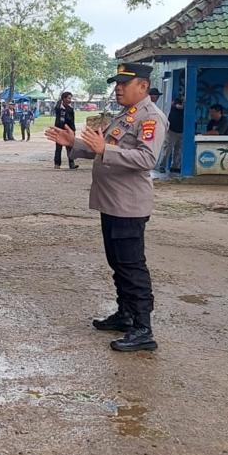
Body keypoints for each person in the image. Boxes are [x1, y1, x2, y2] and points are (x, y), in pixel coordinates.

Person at [46, 62, 166, 352]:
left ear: (143, 86)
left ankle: (143, 328)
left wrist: (105, 150)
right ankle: (125, 314)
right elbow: (102, 148)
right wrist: (73, 142)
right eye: (117, 84)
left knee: (132, 266)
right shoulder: (126, 116)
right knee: (117, 263)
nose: (118, 89)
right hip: (111, 202)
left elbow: (146, 159)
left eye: (124, 84)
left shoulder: (150, 118)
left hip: (128, 206)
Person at [159, 95, 185, 175]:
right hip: (172, 130)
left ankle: (175, 167)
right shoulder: (176, 102)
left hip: (181, 131)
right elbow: (179, 106)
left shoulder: (184, 106)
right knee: (167, 149)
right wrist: (185, 103)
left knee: (178, 150)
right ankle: (162, 166)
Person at [53, 92, 79, 170]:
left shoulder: (70, 109)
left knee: (69, 147)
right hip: (59, 130)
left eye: (70, 98)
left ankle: (71, 164)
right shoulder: (58, 108)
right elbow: (57, 107)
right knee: (58, 148)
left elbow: (72, 121)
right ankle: (57, 164)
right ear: (63, 99)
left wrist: (73, 131)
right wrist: (60, 102)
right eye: (68, 98)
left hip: (68, 131)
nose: (70, 100)